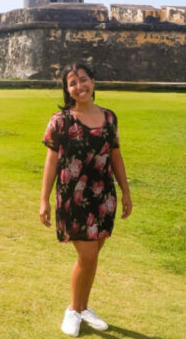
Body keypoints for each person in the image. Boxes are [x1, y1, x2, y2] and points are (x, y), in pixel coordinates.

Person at [39, 63, 133, 337]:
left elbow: (115, 155)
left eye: (83, 79)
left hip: (103, 197)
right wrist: (44, 199)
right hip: (74, 197)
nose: (79, 86)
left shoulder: (110, 117)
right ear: (67, 89)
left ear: (93, 81)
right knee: (86, 257)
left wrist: (126, 191)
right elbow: (51, 160)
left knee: (93, 258)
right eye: (72, 83)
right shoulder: (60, 120)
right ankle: (73, 310)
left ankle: (83, 307)